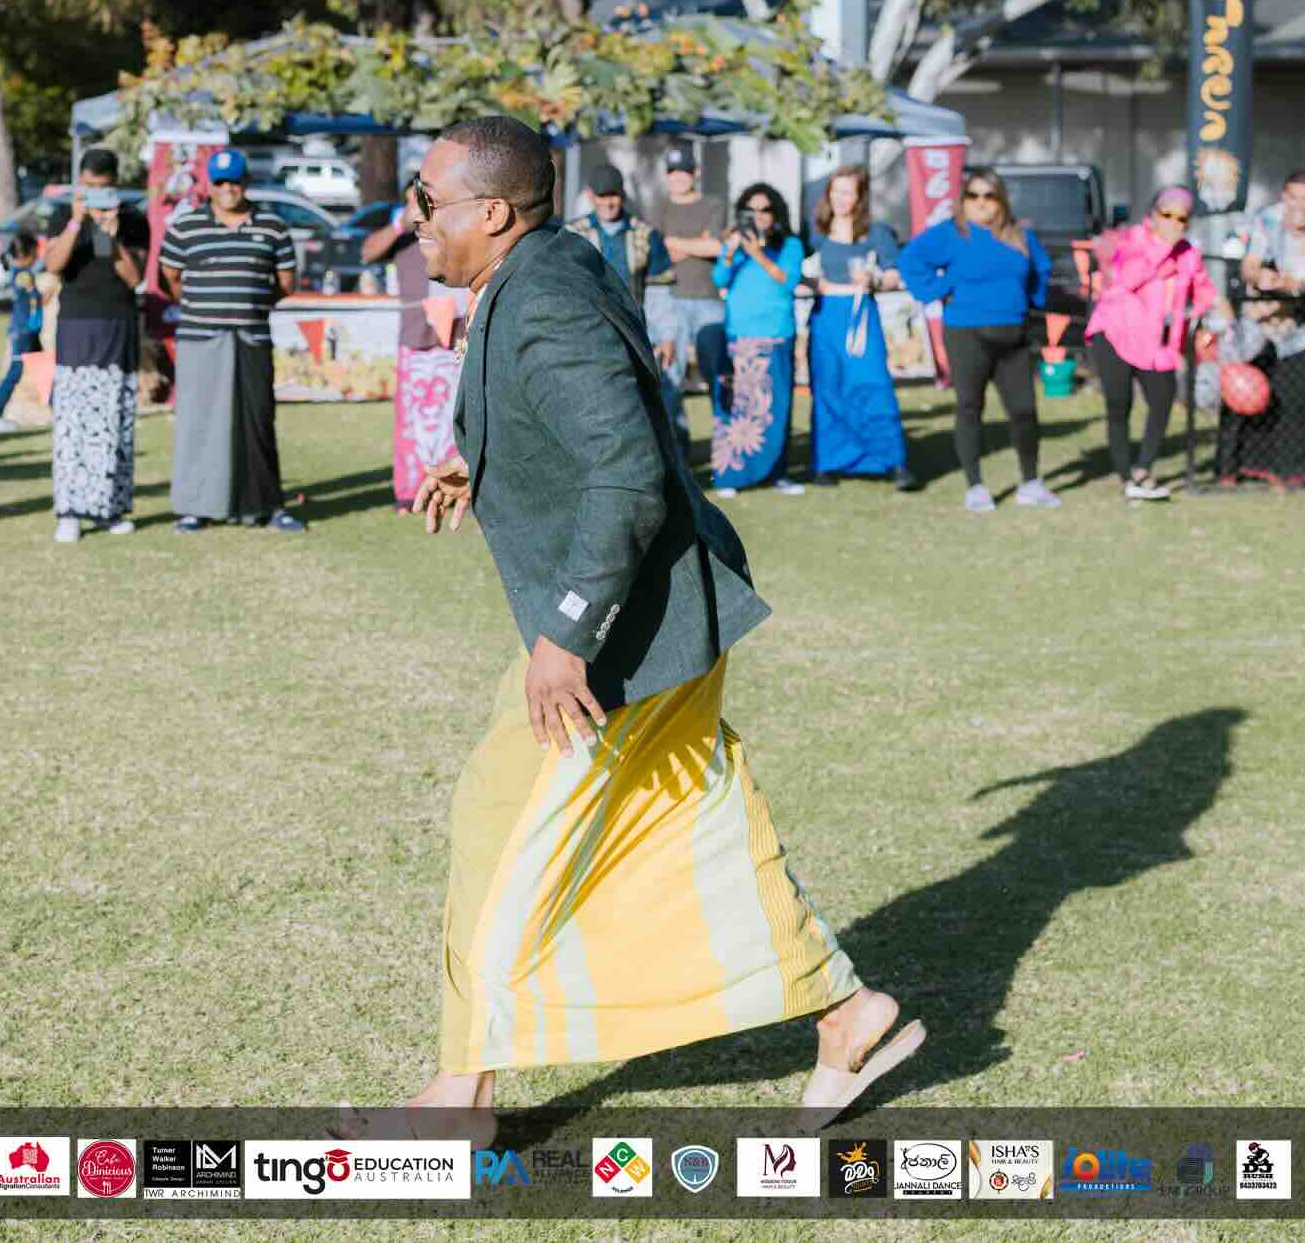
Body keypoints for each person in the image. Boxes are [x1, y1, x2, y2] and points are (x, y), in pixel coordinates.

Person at [335, 115, 926, 1146]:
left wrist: (565, 636)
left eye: (426, 200)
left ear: (490, 212)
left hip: (623, 631)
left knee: (500, 823)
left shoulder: (545, 297)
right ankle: (844, 1013)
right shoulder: (545, 269)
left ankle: (457, 1102)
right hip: (661, 613)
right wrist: (481, 463)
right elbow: (613, 415)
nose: (411, 217)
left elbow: (625, 468)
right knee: (682, 829)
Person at [159, 147, 304, 533]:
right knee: (197, 423)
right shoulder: (186, 226)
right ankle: (195, 507)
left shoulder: (272, 227)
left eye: (235, 181)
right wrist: (204, 304)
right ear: (209, 185)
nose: (228, 189)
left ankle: (265, 506)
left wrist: (251, 304)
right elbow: (170, 277)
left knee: (256, 422)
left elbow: (286, 283)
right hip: (199, 338)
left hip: (252, 337)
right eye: (221, 182)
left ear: (247, 183)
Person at [898, 169, 1058, 512]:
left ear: (1000, 200)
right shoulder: (951, 234)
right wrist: (940, 289)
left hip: (1013, 336)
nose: (982, 203)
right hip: (967, 334)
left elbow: (1041, 270)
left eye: (989, 195)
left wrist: (1032, 300)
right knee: (970, 408)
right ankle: (976, 486)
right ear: (963, 200)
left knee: (1024, 411)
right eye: (974, 195)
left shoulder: (1019, 236)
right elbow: (910, 261)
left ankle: (1030, 482)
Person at [1083, 186, 1219, 501]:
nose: (1173, 223)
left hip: (1157, 342)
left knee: (1162, 400)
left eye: (1181, 218)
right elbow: (1127, 278)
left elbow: (1205, 291)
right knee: (1119, 405)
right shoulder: (1131, 240)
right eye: (1166, 215)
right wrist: (1162, 250)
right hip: (1116, 332)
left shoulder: (1189, 254)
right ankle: (1124, 474)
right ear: (1152, 215)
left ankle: (1143, 468)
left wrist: (1200, 314)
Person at [43, 149, 148, 543]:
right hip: (77, 325)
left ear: (115, 185)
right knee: (73, 421)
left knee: (114, 418)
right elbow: (54, 265)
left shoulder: (133, 219)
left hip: (118, 325)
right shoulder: (63, 216)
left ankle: (109, 507)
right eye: (89, 187)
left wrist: (111, 233)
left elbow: (133, 276)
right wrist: (76, 222)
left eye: (103, 189)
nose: (97, 196)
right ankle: (70, 510)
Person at [1225, 171, 1305, 486]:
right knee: (1245, 394)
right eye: (1295, 197)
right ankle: (1238, 467)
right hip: (1259, 320)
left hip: (1299, 320)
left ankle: (1295, 470)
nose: (1301, 206)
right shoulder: (1265, 221)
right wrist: (1263, 278)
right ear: (1284, 197)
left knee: (1298, 395)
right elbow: (1250, 266)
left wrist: (1298, 285)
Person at [807, 165, 917, 491]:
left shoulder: (877, 232)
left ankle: (892, 461)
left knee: (873, 383)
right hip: (827, 318)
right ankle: (828, 464)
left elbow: (895, 274)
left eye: (847, 192)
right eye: (835, 190)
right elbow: (802, 272)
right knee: (829, 387)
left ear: (860, 197)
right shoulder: (815, 232)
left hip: (862, 318)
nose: (840, 198)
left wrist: (876, 278)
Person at [564, 163, 688, 448]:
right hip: (586, 334)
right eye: (603, 195)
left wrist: (667, 334)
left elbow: (659, 289)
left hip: (635, 332)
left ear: (623, 196)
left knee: (653, 401)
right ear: (591, 196)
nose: (609, 202)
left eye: (615, 195)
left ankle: (672, 467)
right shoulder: (573, 233)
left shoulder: (645, 234)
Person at [364, 174, 468, 510]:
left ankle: (456, 488)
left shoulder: (450, 226)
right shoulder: (401, 232)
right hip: (415, 336)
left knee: (456, 417)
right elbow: (367, 252)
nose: (420, 207)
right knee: (412, 424)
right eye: (414, 200)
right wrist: (399, 224)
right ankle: (409, 492)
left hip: (456, 335)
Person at [707, 182, 806, 496]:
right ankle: (731, 475)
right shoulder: (736, 244)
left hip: (775, 335)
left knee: (776, 408)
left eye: (765, 209)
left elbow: (787, 281)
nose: (759, 215)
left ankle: (778, 474)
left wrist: (758, 254)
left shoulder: (790, 246)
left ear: (775, 214)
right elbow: (719, 279)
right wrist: (731, 252)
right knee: (738, 406)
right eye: (752, 209)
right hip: (740, 335)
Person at [650, 145, 727, 444]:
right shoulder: (659, 207)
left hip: (709, 300)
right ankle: (678, 454)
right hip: (670, 301)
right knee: (670, 378)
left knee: (718, 376)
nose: (678, 178)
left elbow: (717, 247)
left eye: (683, 172)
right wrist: (698, 244)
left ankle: (727, 449)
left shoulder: (713, 204)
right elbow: (657, 253)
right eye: (672, 173)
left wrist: (673, 243)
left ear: (695, 173)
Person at [0, 231, 47, 433]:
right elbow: (32, 297)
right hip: (23, 332)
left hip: (30, 331)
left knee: (45, 370)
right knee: (14, 373)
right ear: (28, 252)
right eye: (36, 251)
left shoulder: (21, 272)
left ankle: (61, 410)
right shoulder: (23, 275)